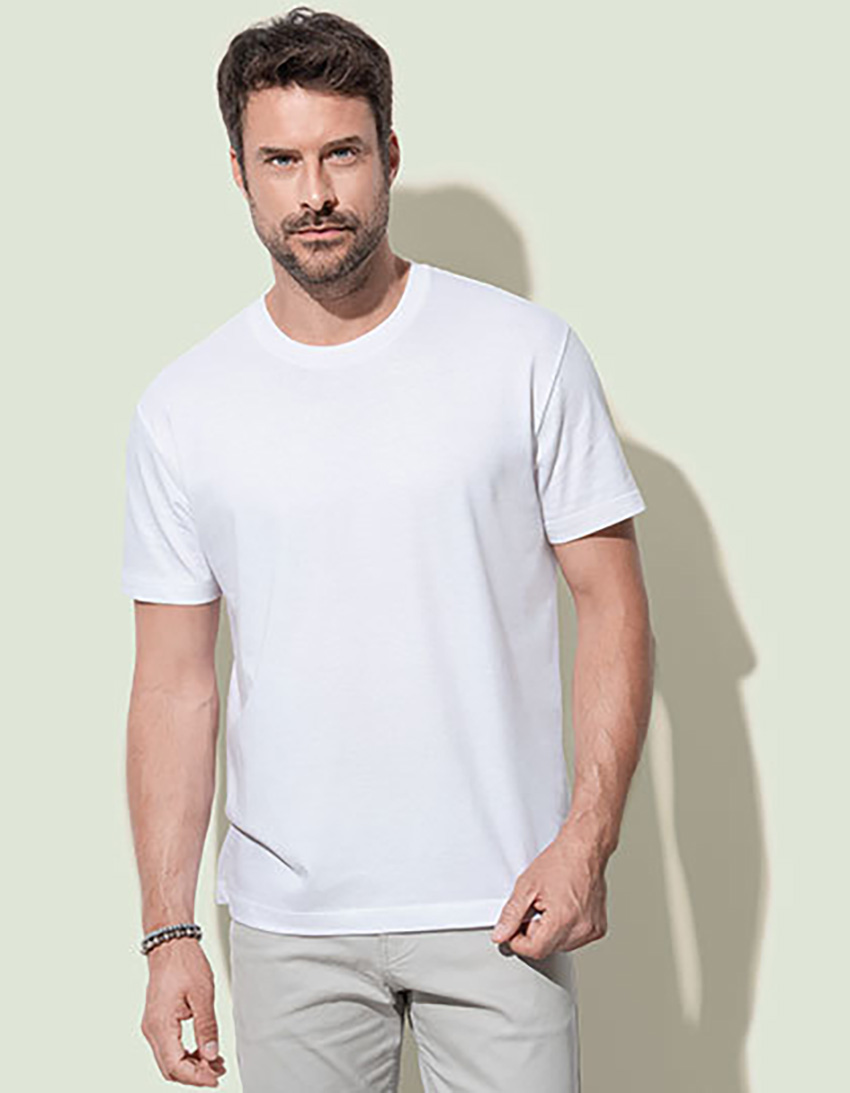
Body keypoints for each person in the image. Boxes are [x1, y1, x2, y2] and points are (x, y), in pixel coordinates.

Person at [121, 6, 655, 1091]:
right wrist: (168, 931)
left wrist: (586, 841)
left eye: (342, 153)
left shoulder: (526, 354)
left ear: (389, 155)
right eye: (281, 160)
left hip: (505, 903)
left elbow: (613, 605)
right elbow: (174, 682)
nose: (314, 191)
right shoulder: (184, 407)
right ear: (239, 174)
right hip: (288, 923)